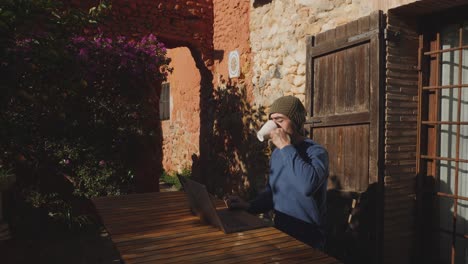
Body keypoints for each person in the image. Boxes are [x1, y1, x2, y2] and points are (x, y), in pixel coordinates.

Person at [226, 95, 329, 249]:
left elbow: (307, 186)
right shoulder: (277, 153)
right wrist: (248, 206)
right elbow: (272, 193)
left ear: (296, 122)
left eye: (280, 120)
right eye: (272, 121)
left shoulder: (316, 152)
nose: (275, 126)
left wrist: (286, 147)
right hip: (281, 234)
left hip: (308, 239)